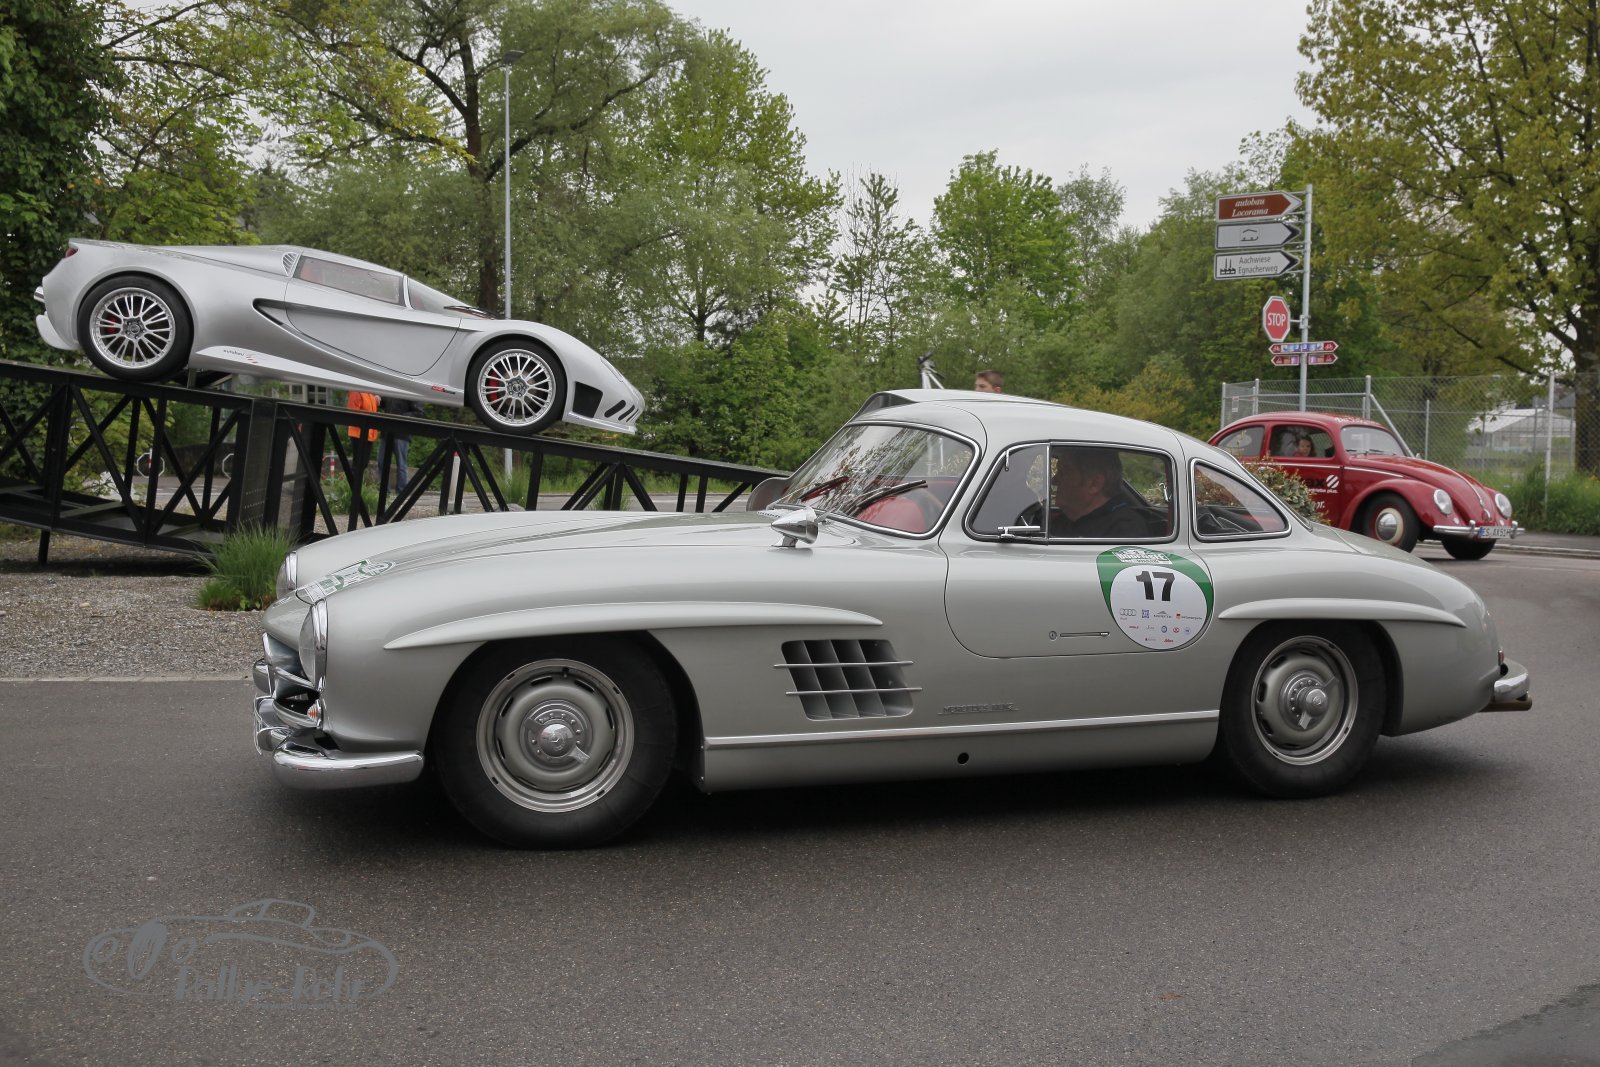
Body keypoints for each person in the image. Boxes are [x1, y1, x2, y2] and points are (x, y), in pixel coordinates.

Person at [1047, 448, 1149, 539]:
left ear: (1094, 484)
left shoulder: (1124, 530)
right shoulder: (1066, 521)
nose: (1054, 481)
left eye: (1064, 473)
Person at [378, 396, 422, 493]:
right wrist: (379, 400)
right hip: (386, 432)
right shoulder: (391, 390)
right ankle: (384, 491)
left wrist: (400, 417)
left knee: (401, 464)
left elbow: (419, 412)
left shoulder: (412, 393)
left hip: (402, 433)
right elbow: (384, 403)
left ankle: (401, 492)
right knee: (381, 462)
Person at [346, 390, 379, 483]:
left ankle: (356, 487)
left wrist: (376, 400)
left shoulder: (370, 393)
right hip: (358, 434)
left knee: (363, 464)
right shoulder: (356, 392)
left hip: (369, 434)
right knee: (358, 464)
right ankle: (353, 487)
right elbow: (352, 412)